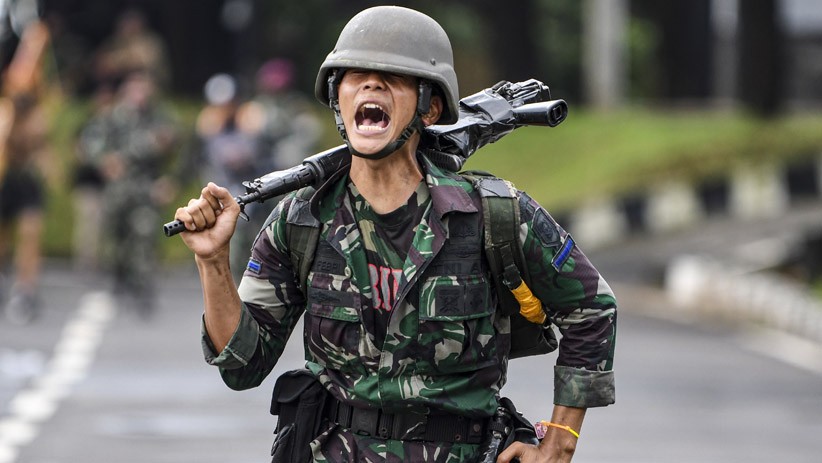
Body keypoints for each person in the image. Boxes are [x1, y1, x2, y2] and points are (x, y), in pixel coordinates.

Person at [174, 6, 617, 462]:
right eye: (355, 75)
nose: (370, 84)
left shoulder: (493, 212)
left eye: (394, 76)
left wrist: (561, 439)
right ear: (337, 96)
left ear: (431, 107)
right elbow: (242, 365)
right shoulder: (301, 220)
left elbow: (591, 307)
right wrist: (212, 261)